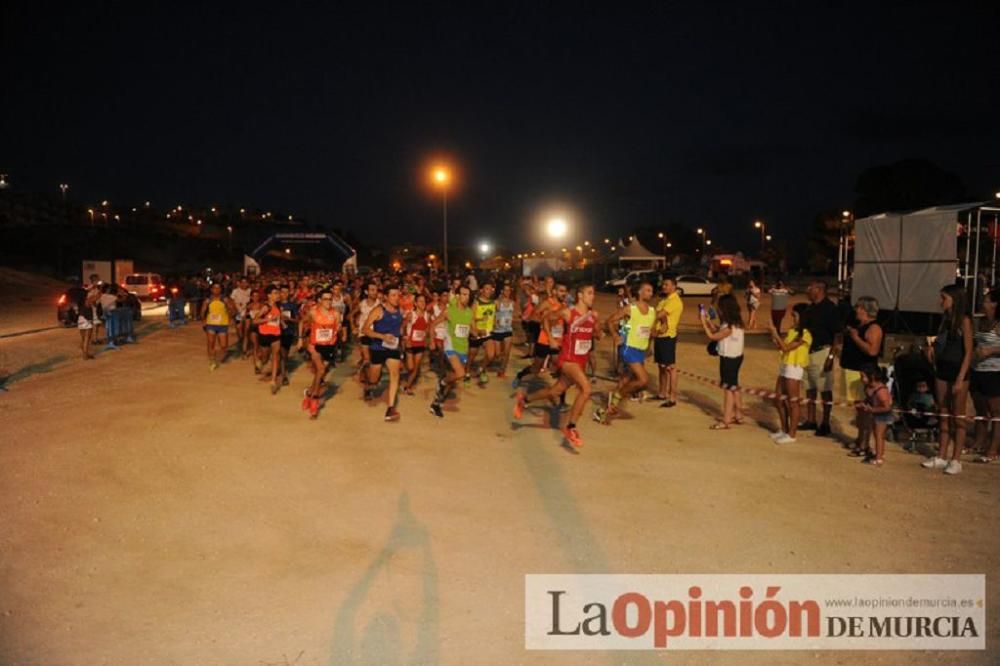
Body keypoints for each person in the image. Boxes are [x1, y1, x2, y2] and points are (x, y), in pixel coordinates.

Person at [514, 284, 600, 447]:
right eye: (589, 293)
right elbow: (546, 319)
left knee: (555, 391)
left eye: (593, 294)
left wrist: (598, 327)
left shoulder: (592, 315)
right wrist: (551, 339)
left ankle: (524, 400)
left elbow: (597, 334)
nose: (592, 297)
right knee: (586, 389)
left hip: (581, 361)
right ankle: (571, 427)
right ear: (580, 295)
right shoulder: (568, 313)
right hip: (568, 360)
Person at [922, 284, 974, 475]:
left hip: (958, 371)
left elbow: (968, 352)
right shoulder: (945, 320)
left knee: (958, 416)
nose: (941, 301)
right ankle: (941, 455)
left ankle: (956, 459)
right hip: (942, 369)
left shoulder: (965, 321)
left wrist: (960, 378)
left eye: (944, 298)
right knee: (943, 412)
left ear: (955, 299)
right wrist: (931, 352)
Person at [596, 282, 655, 424]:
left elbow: (648, 330)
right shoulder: (630, 308)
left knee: (625, 381)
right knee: (643, 380)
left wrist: (651, 342)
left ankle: (603, 412)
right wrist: (616, 336)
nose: (650, 293)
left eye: (651, 291)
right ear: (639, 292)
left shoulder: (652, 311)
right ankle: (617, 396)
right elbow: (609, 321)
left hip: (641, 350)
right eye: (647, 290)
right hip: (629, 349)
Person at [834, 297, 883, 454]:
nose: (856, 310)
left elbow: (872, 351)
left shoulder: (874, 328)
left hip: (863, 372)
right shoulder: (857, 325)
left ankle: (864, 444)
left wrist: (855, 338)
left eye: (859, 307)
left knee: (865, 410)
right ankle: (860, 438)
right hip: (851, 370)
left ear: (866, 310)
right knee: (858, 408)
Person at [799, 281, 841, 437]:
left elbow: (837, 334)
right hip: (808, 352)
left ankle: (825, 422)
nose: (807, 290)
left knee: (825, 389)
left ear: (819, 290)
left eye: (810, 288)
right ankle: (811, 419)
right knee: (809, 388)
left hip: (822, 351)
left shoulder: (830, 309)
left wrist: (831, 356)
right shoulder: (810, 309)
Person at [767, 303, 812, 442]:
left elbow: (787, 347)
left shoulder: (806, 334)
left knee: (793, 402)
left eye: (795, 315)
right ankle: (784, 429)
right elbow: (782, 346)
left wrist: (775, 333)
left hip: (794, 367)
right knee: (779, 399)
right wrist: (774, 336)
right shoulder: (793, 330)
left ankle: (792, 434)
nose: (792, 318)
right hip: (785, 365)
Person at [700, 294, 745, 428]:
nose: (718, 310)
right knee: (734, 386)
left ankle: (726, 420)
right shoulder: (735, 323)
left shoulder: (729, 327)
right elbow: (718, 330)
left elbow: (713, 336)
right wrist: (709, 322)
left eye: (720, 307)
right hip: (736, 357)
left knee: (728, 389)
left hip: (729, 360)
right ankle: (738, 415)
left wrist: (703, 323)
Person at [429, 285, 474, 418]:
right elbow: (432, 325)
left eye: (468, 295)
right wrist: (432, 341)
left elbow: (472, 329)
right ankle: (442, 382)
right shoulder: (449, 311)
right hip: (450, 347)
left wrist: (481, 332)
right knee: (460, 374)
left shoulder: (469, 312)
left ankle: (436, 404)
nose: (466, 297)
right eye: (464, 294)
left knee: (451, 380)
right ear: (458, 296)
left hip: (463, 348)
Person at [512, 283, 568, 389]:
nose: (563, 294)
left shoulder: (564, 305)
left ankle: (561, 400)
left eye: (565, 291)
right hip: (544, 340)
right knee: (536, 368)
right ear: (554, 292)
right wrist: (545, 321)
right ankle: (520, 375)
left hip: (557, 340)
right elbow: (533, 316)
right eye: (561, 291)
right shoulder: (547, 303)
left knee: (560, 368)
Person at [363, 285, 404, 421]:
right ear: (386, 296)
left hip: (393, 348)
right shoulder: (378, 310)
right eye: (393, 295)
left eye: (398, 295)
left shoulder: (400, 311)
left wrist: (401, 341)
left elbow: (398, 328)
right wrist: (382, 336)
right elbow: (365, 329)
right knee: (374, 379)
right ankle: (368, 383)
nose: (396, 298)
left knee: (395, 374)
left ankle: (390, 408)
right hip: (378, 347)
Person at [300, 289, 342, 418]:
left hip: (329, 346)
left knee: (320, 373)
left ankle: (309, 394)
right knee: (321, 369)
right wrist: (301, 339)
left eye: (330, 299)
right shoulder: (313, 312)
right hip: (315, 346)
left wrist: (338, 330)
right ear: (319, 300)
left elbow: (338, 328)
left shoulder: (335, 313)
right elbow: (302, 322)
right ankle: (315, 399)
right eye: (325, 299)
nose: (328, 301)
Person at [971, 288, 1000, 463]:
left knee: (996, 412)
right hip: (977, 370)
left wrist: (991, 350)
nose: (983, 303)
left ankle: (993, 448)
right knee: (980, 409)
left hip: (995, 371)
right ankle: (979, 442)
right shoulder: (980, 322)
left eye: (988, 300)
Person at [856, 363, 894, 466]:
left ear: (871, 376)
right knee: (876, 434)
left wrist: (872, 409)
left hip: (882, 414)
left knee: (879, 435)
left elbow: (887, 407)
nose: (861, 379)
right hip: (876, 412)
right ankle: (879, 453)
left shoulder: (881, 391)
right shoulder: (868, 387)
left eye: (863, 376)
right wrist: (863, 404)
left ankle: (879, 458)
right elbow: (869, 399)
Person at [653, 277, 683, 407]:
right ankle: (662, 392)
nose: (664, 286)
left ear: (674, 286)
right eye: (663, 284)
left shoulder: (675, 301)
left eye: (667, 284)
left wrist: (657, 314)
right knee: (661, 366)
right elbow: (657, 313)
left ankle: (672, 397)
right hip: (659, 336)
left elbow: (658, 314)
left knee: (670, 367)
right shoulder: (664, 300)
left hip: (668, 336)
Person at [254, 286, 285, 394]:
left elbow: (277, 318)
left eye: (278, 293)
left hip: (276, 334)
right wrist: (267, 319)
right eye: (275, 293)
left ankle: (273, 381)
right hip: (265, 334)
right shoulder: (266, 307)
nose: (278, 295)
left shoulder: (278, 306)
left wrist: (282, 324)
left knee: (276, 356)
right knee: (265, 358)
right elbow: (255, 321)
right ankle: (260, 360)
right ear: (269, 295)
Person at [200, 283, 235, 370]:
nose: (216, 290)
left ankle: (216, 355)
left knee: (224, 346)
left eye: (218, 288)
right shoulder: (208, 300)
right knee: (211, 343)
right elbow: (202, 311)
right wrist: (203, 320)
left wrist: (230, 316)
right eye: (214, 288)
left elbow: (232, 310)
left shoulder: (225, 299)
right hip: (211, 324)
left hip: (222, 325)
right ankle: (212, 360)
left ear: (221, 289)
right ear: (211, 289)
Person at [467, 283, 497, 386]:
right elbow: (470, 318)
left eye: (490, 289)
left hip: (488, 333)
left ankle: (481, 369)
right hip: (476, 333)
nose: (489, 291)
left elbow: (493, 316)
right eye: (486, 289)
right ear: (481, 290)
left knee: (491, 355)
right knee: (471, 356)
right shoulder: (476, 302)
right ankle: (466, 373)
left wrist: (494, 323)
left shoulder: (493, 303)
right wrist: (477, 329)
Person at [402, 294, 430, 395]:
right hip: (410, 344)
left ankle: (407, 386)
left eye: (424, 301)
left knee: (415, 368)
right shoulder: (411, 315)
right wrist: (405, 338)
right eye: (420, 301)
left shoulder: (427, 315)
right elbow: (403, 326)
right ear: (415, 303)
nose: (423, 303)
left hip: (420, 344)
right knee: (410, 367)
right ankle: (402, 360)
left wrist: (426, 336)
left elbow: (427, 327)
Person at [492, 283, 516, 378]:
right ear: (502, 291)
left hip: (508, 330)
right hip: (497, 330)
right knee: (497, 354)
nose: (507, 292)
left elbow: (515, 314)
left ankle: (502, 371)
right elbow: (492, 314)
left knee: (507, 352)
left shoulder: (512, 303)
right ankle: (499, 360)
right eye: (505, 290)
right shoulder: (497, 302)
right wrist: (495, 322)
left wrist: (514, 319)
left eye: (509, 290)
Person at [77, 292, 98, 360]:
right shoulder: (88, 302)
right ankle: (85, 355)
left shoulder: (81, 302)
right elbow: (88, 312)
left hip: (80, 319)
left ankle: (85, 352)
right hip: (86, 320)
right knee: (87, 338)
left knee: (84, 339)